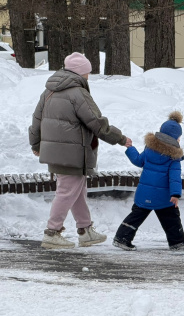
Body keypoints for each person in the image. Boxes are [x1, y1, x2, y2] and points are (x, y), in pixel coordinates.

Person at [29, 52, 132, 249]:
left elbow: (36, 120)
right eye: (87, 73)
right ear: (80, 73)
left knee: (77, 191)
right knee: (67, 191)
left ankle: (85, 231)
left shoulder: (48, 92)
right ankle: (52, 232)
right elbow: (97, 123)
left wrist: (36, 144)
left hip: (58, 152)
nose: (88, 77)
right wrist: (119, 138)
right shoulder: (78, 93)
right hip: (73, 153)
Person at [112, 112, 184, 251]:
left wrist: (130, 148)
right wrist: (175, 194)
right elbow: (174, 177)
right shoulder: (174, 157)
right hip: (163, 196)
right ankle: (177, 242)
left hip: (145, 193)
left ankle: (122, 238)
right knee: (171, 219)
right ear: (175, 138)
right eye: (179, 138)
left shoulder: (149, 150)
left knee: (136, 216)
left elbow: (138, 160)